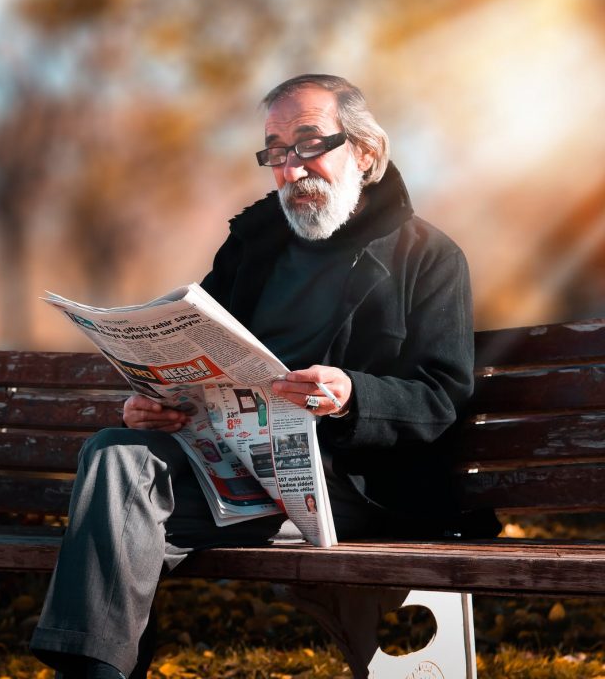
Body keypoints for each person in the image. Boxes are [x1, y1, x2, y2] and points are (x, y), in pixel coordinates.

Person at [31, 74, 498, 679]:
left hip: (351, 485)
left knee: (127, 518)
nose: (290, 167)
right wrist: (156, 401)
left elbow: (442, 398)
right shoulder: (251, 248)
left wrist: (353, 395)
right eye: (275, 151)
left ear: (363, 151)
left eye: (308, 144)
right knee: (117, 454)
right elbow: (194, 345)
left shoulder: (427, 256)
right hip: (236, 472)